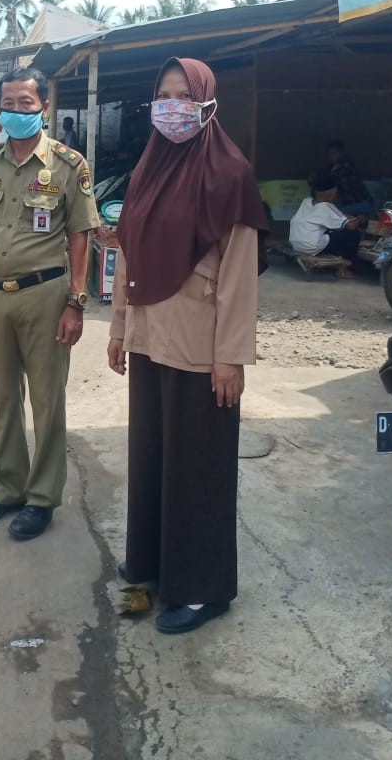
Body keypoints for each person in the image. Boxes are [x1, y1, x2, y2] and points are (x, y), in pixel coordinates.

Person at [107, 58, 266, 636]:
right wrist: (120, 328)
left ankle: (202, 589)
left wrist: (232, 354)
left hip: (202, 347)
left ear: (207, 106)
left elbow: (240, 274)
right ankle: (151, 561)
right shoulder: (148, 170)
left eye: (184, 96)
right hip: (151, 338)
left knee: (199, 465)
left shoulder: (229, 176)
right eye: (163, 95)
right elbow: (128, 251)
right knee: (153, 454)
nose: (172, 107)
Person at [0, 67, 100, 542]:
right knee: (4, 399)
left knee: (47, 400)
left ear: (44, 107)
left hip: (46, 295)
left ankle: (41, 497)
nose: (16, 112)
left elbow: (81, 237)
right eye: (8, 104)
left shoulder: (69, 165)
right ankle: (7, 486)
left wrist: (76, 302)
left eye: (26, 104)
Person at [290, 172, 364, 264]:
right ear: (331, 194)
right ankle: (348, 267)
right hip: (310, 248)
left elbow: (321, 217)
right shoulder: (327, 206)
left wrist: (342, 216)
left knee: (331, 231)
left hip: (296, 245)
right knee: (352, 234)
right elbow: (351, 226)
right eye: (336, 193)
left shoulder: (306, 201)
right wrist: (360, 218)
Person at [325, 141, 372, 217]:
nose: (332, 156)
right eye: (330, 154)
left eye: (335, 153)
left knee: (332, 214)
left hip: (361, 205)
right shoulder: (332, 168)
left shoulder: (346, 167)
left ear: (342, 154)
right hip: (349, 205)